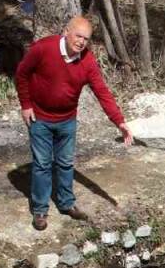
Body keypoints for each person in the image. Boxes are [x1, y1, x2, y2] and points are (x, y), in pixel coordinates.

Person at [14, 15, 133, 231]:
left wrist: (119, 122)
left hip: (67, 120)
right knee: (42, 164)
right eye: (78, 36)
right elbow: (21, 74)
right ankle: (40, 210)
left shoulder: (87, 61)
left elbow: (102, 92)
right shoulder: (43, 48)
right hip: (39, 117)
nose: (81, 42)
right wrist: (26, 105)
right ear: (66, 32)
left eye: (86, 39)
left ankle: (66, 203)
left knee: (66, 163)